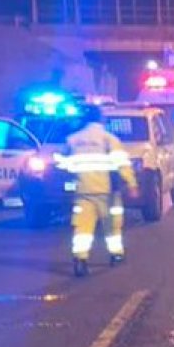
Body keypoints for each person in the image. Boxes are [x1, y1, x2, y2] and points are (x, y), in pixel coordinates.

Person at [61, 109, 138, 277]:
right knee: (112, 225)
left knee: (82, 227)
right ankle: (116, 254)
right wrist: (131, 183)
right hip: (107, 190)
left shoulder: (73, 139)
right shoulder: (108, 139)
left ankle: (80, 260)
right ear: (101, 119)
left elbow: (63, 162)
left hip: (83, 190)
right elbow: (121, 163)